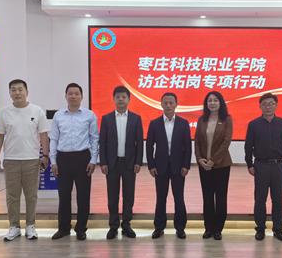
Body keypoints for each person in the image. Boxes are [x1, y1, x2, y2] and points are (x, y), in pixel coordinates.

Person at [0, 79, 49, 242]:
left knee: (31, 196)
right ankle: (14, 226)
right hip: (11, 160)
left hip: (32, 160)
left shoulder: (37, 111)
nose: (17, 93)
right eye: (13, 90)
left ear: (27, 92)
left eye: (20, 89)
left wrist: (45, 155)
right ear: (10, 93)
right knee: (12, 196)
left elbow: (43, 135)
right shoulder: (4, 113)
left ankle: (31, 226)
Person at [49, 83, 99, 240]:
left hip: (82, 158)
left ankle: (81, 228)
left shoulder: (89, 115)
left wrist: (93, 160)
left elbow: (94, 139)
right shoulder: (58, 116)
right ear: (66, 96)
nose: (73, 96)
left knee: (83, 196)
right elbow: (54, 139)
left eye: (76, 93)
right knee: (64, 196)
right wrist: (53, 161)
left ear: (82, 96)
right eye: (70, 93)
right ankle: (63, 228)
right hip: (63, 159)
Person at [244, 93, 282, 241]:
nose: (268, 106)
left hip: (279, 166)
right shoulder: (254, 124)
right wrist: (249, 164)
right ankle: (260, 229)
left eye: (271, 103)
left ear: (276, 105)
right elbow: (248, 146)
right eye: (265, 104)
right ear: (260, 106)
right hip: (261, 166)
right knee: (260, 199)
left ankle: (278, 229)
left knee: (278, 199)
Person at [99, 85, 144, 240]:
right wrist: (103, 162)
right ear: (114, 99)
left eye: (123, 97)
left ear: (129, 100)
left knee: (128, 196)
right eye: (118, 97)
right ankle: (113, 226)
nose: (120, 100)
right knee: (112, 196)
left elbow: (139, 142)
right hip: (112, 163)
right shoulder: (106, 119)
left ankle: (126, 225)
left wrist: (138, 162)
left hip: (129, 163)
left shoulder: (136, 119)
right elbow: (102, 142)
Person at [146, 92, 192, 239]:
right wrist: (151, 165)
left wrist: (186, 165)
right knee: (161, 198)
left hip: (179, 168)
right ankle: (159, 228)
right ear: (161, 104)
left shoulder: (183, 123)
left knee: (179, 198)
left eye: (171, 103)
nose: (168, 105)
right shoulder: (154, 123)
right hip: (160, 167)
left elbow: (188, 146)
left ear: (176, 104)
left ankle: (180, 228)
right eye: (165, 103)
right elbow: (149, 146)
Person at [194, 91, 233, 240]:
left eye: (215, 100)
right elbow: (197, 141)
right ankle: (208, 228)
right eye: (209, 100)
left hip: (222, 165)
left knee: (221, 197)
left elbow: (226, 142)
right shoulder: (202, 119)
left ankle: (218, 229)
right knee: (207, 197)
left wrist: (214, 160)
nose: (212, 103)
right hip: (204, 165)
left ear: (220, 103)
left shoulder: (227, 119)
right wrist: (199, 159)